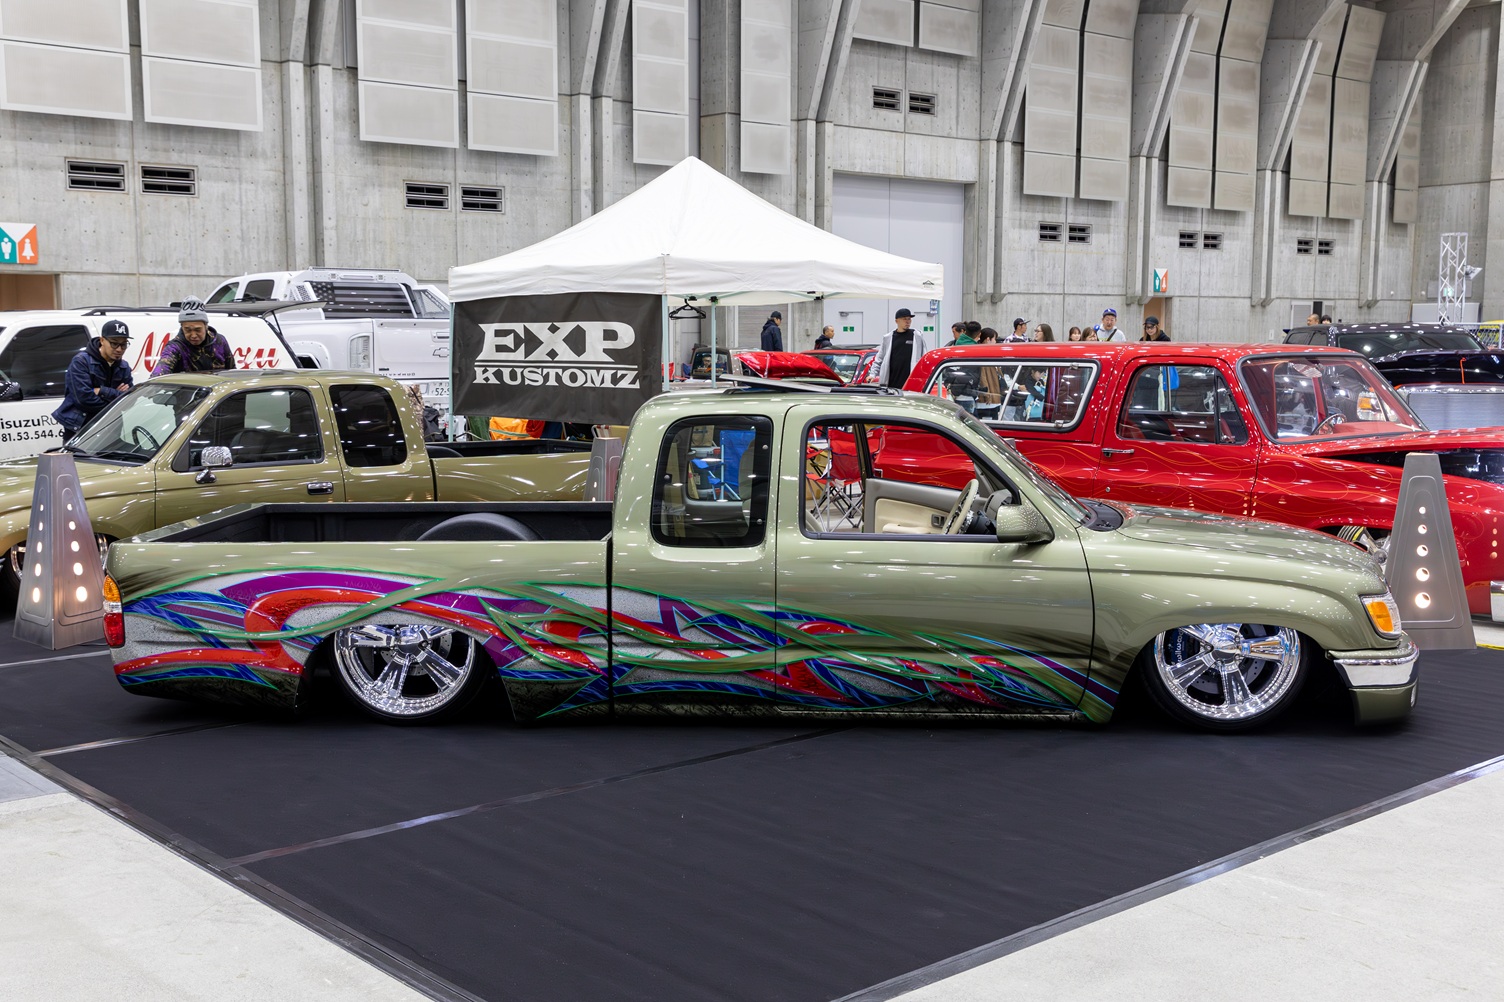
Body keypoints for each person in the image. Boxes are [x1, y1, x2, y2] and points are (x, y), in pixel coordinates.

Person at [54, 320, 133, 438]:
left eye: (124, 344)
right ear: (102, 340)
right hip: (81, 428)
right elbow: (84, 400)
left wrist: (101, 391)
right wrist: (117, 395)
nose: (119, 349)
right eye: (114, 343)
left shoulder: (124, 367)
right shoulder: (81, 361)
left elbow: (130, 401)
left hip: (110, 429)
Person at [152, 298, 236, 374]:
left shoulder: (220, 341)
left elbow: (233, 373)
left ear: (206, 326)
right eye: (188, 330)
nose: (193, 335)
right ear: (182, 327)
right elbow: (159, 374)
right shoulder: (175, 347)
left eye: (198, 330)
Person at [877, 308, 931, 388]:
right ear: (897, 321)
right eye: (904, 319)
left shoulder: (917, 336)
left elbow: (924, 358)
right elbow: (879, 358)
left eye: (909, 319)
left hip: (910, 384)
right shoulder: (888, 338)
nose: (907, 321)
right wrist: (872, 374)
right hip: (891, 383)